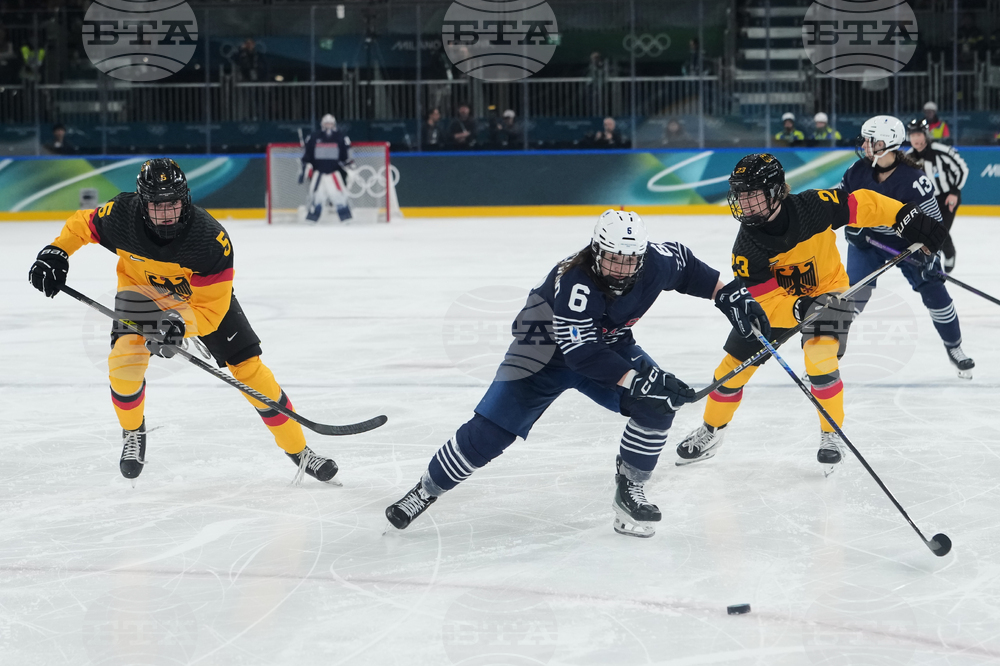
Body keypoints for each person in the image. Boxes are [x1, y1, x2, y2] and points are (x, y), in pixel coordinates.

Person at [384, 210, 771, 538]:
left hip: (606, 343)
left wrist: (731, 296)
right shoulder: (576, 281)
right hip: (540, 354)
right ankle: (425, 489)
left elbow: (687, 266)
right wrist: (639, 379)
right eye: (613, 259)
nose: (621, 269)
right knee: (490, 432)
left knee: (657, 403)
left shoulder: (655, 261)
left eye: (630, 261)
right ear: (595, 250)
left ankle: (630, 491)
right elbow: (582, 354)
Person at [27, 159, 339, 485]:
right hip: (141, 294)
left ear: (185, 199)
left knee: (251, 371)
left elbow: (210, 312)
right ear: (142, 203)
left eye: (173, 203)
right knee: (123, 364)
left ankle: (300, 451)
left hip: (199, 303)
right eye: (156, 205)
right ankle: (132, 431)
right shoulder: (121, 215)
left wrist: (178, 325)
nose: (166, 214)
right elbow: (82, 224)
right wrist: (56, 252)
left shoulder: (209, 241)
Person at [675, 153, 948, 472]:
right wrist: (799, 308)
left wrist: (903, 215)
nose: (744, 204)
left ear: (775, 192)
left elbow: (863, 203)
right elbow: (764, 302)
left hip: (830, 291)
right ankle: (711, 430)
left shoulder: (814, 206)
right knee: (730, 370)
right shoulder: (746, 249)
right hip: (781, 305)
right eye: (740, 195)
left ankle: (832, 434)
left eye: (752, 195)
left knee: (820, 360)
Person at [841, 115, 974, 378]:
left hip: (908, 245)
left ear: (886, 144)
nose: (864, 145)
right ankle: (826, 357)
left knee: (935, 292)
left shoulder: (914, 179)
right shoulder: (856, 172)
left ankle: (954, 347)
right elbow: (838, 205)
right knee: (851, 294)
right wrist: (850, 227)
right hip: (867, 242)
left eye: (871, 140)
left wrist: (931, 255)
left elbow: (935, 225)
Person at [906, 118, 968, 273]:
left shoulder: (941, 150)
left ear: (926, 135)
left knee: (939, 231)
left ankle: (948, 254)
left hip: (946, 198)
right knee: (929, 232)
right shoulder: (908, 157)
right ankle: (931, 261)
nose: (915, 139)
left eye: (918, 134)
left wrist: (954, 192)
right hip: (925, 201)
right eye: (912, 135)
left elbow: (962, 169)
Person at [299, 113, 354, 222]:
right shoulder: (314, 137)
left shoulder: (340, 137)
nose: (328, 126)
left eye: (330, 123)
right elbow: (307, 155)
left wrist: (349, 166)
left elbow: (346, 155)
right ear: (322, 124)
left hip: (334, 173)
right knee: (316, 195)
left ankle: (345, 218)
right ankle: (312, 218)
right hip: (318, 174)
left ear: (334, 124)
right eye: (326, 123)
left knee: (339, 195)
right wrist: (305, 167)